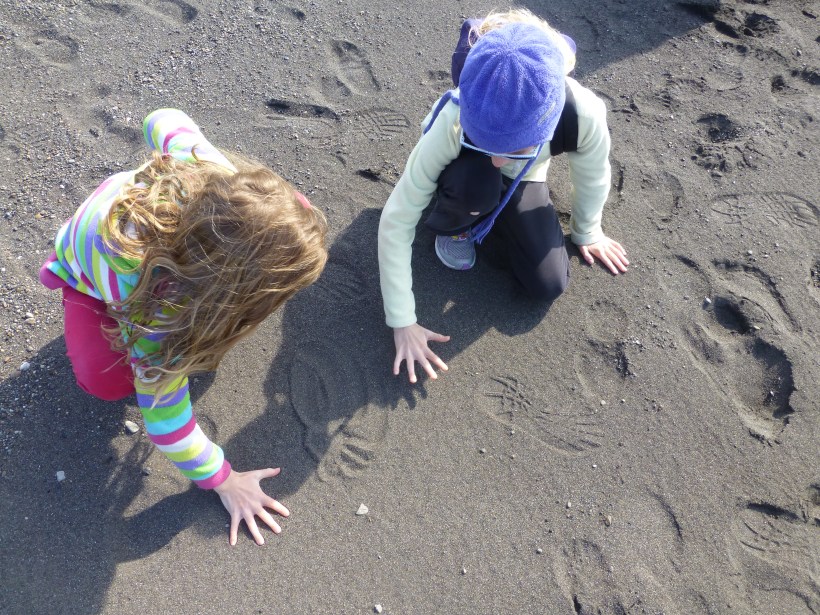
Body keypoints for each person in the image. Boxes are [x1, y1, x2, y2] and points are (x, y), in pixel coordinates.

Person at [39, 108, 328, 545]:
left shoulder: (213, 173)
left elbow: (161, 118)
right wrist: (225, 480)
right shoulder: (159, 317)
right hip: (89, 276)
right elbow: (167, 427)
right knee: (104, 380)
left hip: (133, 208)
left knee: (292, 216)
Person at [378, 9, 629, 383]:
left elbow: (593, 175)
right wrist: (402, 321)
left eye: (512, 147)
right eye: (488, 143)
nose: (498, 158)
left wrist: (587, 230)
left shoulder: (584, 112)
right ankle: (458, 224)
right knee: (477, 179)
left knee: (548, 283)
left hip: (526, 176)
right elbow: (396, 219)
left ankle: (491, 213)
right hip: (464, 171)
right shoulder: (454, 115)